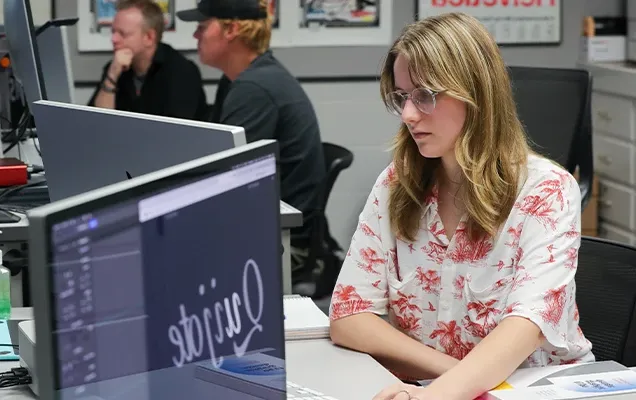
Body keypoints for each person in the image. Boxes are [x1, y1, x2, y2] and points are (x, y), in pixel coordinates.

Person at [328, 12, 595, 400]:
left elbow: (524, 326)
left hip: (536, 390)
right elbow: (349, 317)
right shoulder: (397, 182)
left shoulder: (547, 191)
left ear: (476, 94)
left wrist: (436, 394)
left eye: (425, 96)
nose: (408, 115)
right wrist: (451, 376)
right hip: (448, 386)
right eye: (403, 97)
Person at [177, 0, 327, 282]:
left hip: (284, 245)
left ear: (231, 29)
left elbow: (227, 181)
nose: (195, 36)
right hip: (271, 230)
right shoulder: (243, 80)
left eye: (202, 26)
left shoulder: (253, 89)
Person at [89, 0, 209, 120]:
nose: (114, 39)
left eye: (122, 33)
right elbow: (98, 122)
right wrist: (112, 76)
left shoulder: (181, 71)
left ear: (149, 37)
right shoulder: (115, 67)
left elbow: (174, 132)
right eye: (113, 32)